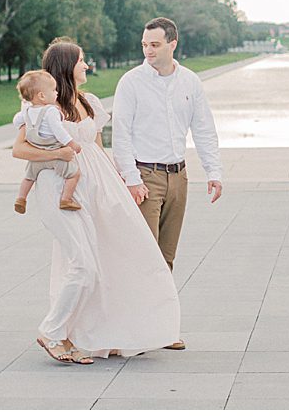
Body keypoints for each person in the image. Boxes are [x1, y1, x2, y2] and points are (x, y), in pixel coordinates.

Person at [12, 37, 180, 364]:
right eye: (81, 60)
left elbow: (98, 145)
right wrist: (61, 152)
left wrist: (122, 180)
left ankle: (96, 332)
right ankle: (53, 331)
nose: (86, 65)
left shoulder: (87, 101)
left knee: (110, 255)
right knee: (81, 262)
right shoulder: (45, 108)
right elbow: (19, 150)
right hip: (60, 185)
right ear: (66, 66)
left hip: (97, 184)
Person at [113, 17, 223, 351]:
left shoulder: (190, 82)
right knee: (143, 257)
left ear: (173, 44)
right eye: (145, 44)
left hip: (179, 177)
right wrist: (132, 179)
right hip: (145, 178)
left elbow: (203, 128)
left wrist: (214, 171)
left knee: (166, 257)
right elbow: (121, 134)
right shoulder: (131, 82)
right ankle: (129, 330)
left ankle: (161, 329)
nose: (148, 50)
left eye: (155, 44)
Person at [12, 69, 83, 214]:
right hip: (55, 154)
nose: (56, 93)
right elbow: (59, 131)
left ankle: (21, 198)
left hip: (37, 159)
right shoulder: (51, 111)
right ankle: (66, 199)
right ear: (42, 96)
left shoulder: (26, 112)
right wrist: (72, 144)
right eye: (53, 90)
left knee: (28, 178)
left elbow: (16, 121)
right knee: (74, 174)